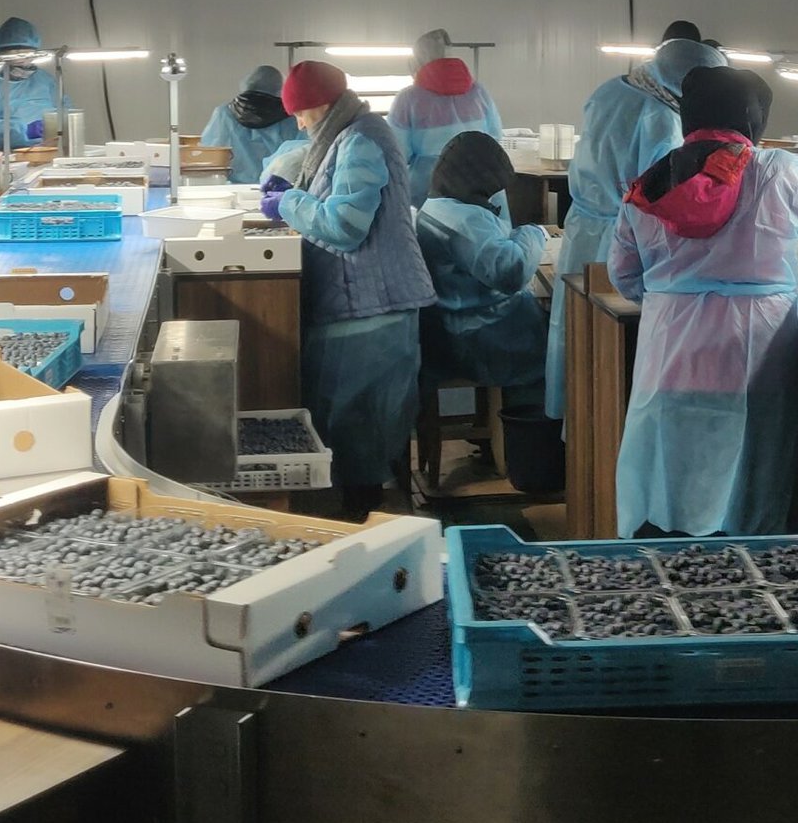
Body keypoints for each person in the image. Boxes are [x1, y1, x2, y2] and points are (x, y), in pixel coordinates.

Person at [610, 67, 798, 536]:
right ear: (754, 117)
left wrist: (671, 299)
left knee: (669, 469)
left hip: (671, 349)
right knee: (753, 469)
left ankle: (664, 567)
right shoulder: (783, 173)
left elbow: (623, 274)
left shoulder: (651, 182)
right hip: (758, 345)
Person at [260, 62, 434, 518]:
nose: (299, 124)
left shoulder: (362, 139)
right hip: (359, 299)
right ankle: (360, 506)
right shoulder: (346, 134)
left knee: (363, 423)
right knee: (350, 421)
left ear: (321, 105)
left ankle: (363, 516)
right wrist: (295, 189)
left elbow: (345, 225)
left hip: (373, 304)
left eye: (300, 113)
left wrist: (290, 202)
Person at [543, 36, 725, 419]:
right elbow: (659, 196)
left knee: (573, 333)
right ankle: (599, 436)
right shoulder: (660, 116)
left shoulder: (610, 90)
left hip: (582, 226)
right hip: (622, 236)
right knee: (608, 349)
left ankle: (571, 435)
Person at [414, 132, 547, 408]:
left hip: (447, 333)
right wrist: (534, 233)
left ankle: (496, 437)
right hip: (482, 339)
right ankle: (528, 433)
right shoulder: (465, 220)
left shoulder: (435, 207)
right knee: (565, 345)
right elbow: (512, 271)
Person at [387, 30, 504, 203]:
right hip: (479, 186)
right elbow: (494, 138)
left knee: (431, 229)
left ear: (416, 61)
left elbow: (396, 153)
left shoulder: (407, 99)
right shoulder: (479, 93)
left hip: (427, 191)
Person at [0, 17, 62, 150]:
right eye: (13, 52)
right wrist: (24, 131)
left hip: (49, 150)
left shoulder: (44, 80)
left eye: (26, 53)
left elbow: (65, 111)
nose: (20, 59)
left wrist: (63, 126)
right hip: (9, 156)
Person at [200, 65, 303, 185]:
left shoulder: (224, 114)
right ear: (281, 89)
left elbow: (209, 154)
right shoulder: (291, 119)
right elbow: (301, 154)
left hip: (232, 188)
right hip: (275, 187)